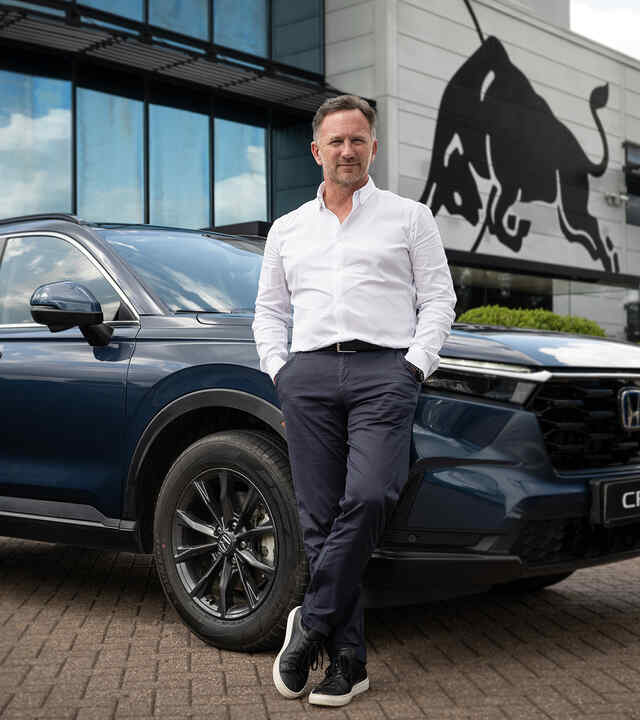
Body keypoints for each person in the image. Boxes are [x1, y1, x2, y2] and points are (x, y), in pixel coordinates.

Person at [251, 94, 456, 708]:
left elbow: (439, 299)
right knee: (318, 519)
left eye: (358, 139)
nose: (347, 150)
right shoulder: (287, 228)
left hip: (383, 373)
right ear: (317, 150)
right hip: (308, 376)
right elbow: (269, 311)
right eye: (336, 141)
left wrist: (413, 368)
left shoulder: (410, 217)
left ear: (374, 146)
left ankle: (310, 621)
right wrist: (280, 371)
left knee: (369, 496)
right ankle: (348, 662)